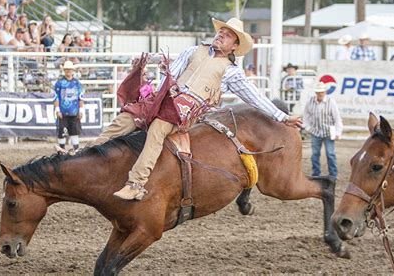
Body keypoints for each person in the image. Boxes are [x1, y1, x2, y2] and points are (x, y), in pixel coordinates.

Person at [89, 17, 303, 201]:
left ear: (234, 47)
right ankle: (88, 152)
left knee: (158, 129)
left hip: (186, 111)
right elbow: (170, 73)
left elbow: (254, 97)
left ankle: (136, 183)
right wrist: (160, 86)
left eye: (228, 35)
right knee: (127, 117)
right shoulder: (194, 50)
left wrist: (282, 117)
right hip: (166, 99)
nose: (221, 35)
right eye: (222, 31)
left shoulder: (231, 72)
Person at [303, 82, 343, 179]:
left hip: (329, 132)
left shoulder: (331, 102)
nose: (320, 94)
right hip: (315, 132)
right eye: (318, 92)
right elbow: (306, 116)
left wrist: (338, 132)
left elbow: (337, 118)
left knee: (330, 154)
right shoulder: (310, 102)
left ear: (325, 92)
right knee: (315, 154)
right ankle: (316, 173)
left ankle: (333, 174)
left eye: (321, 92)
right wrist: (308, 127)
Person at [54, 60, 84, 151]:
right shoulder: (59, 83)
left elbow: (80, 97)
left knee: (74, 132)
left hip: (74, 112)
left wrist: (81, 110)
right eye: (67, 70)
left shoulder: (77, 83)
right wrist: (57, 109)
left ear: (73, 71)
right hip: (62, 112)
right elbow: (56, 97)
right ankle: (62, 150)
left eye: (70, 70)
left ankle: (76, 150)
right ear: (64, 70)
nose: (68, 71)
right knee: (61, 132)